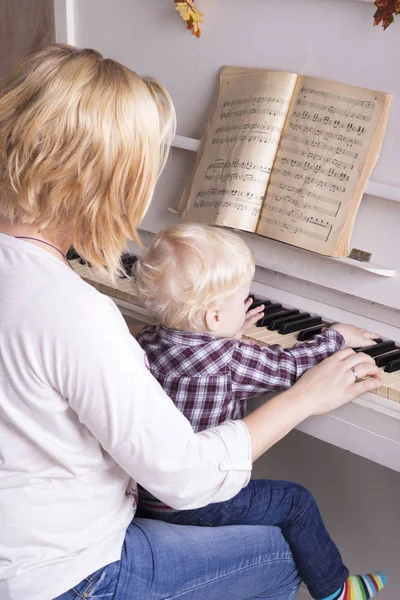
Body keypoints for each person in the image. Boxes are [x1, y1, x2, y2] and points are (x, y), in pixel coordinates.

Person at [0, 44, 383, 600]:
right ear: (102, 179)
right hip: (67, 578)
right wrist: (304, 398)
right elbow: (184, 479)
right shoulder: (69, 310)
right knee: (282, 551)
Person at [132, 223, 387, 600]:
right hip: (196, 503)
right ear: (214, 318)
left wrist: (225, 331)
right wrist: (337, 336)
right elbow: (290, 366)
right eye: (241, 300)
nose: (245, 306)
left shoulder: (147, 340)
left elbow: (198, 352)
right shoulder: (233, 360)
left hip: (146, 493)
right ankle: (335, 588)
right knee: (295, 501)